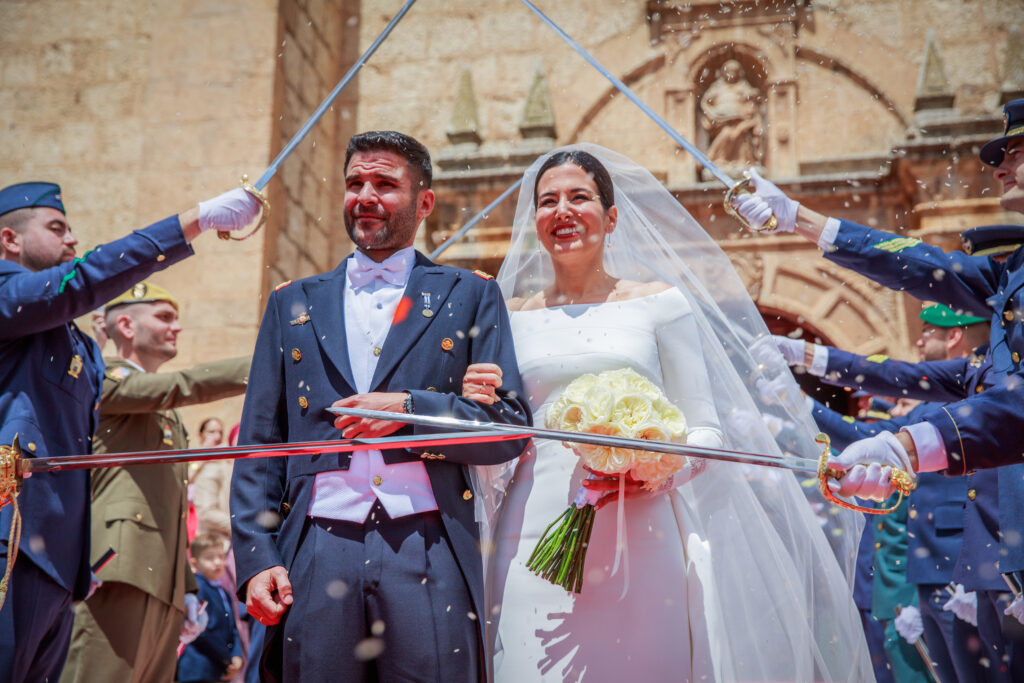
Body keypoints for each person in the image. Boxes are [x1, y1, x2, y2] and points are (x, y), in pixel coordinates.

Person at [460, 145, 872, 681]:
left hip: (642, 524)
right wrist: (477, 394)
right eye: (547, 201)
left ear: (611, 218)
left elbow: (704, 428)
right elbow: (497, 425)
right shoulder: (505, 316)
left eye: (578, 197)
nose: (561, 211)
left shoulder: (660, 303)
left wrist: (653, 467)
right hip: (531, 527)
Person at [229, 131, 532, 683]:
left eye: (385, 184)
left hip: (427, 542)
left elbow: (508, 429)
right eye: (354, 183)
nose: (365, 195)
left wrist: (411, 411)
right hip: (317, 545)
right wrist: (257, 555)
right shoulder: (291, 301)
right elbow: (260, 443)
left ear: (424, 202)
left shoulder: (470, 293)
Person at [0, 181, 259, 682]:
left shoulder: (78, 349)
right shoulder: (7, 295)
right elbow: (84, 280)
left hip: (62, 565)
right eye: (57, 228)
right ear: (10, 240)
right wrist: (193, 221)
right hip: (11, 541)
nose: (72, 239)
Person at [60, 282, 251, 683]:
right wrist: (265, 365)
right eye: (164, 317)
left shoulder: (167, 416)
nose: (177, 327)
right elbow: (180, 385)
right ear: (126, 325)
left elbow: (173, 510)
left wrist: (187, 588)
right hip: (117, 568)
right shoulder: (105, 377)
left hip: (162, 582)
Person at [177, 533, 244, 683]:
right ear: (194, 564)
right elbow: (201, 630)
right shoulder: (197, 588)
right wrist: (227, 659)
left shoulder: (225, 593)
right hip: (198, 669)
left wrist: (237, 656)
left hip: (218, 668)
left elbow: (233, 628)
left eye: (221, 556)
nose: (217, 562)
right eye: (209, 558)